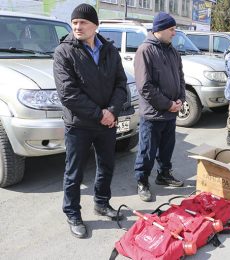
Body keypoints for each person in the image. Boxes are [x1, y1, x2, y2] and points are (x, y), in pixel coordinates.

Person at [53, 3, 128, 238]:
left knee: (106, 165)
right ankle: (72, 213)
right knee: (74, 172)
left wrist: (113, 111)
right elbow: (68, 93)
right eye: (75, 22)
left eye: (83, 22)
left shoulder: (109, 50)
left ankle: (102, 203)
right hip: (79, 124)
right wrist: (100, 114)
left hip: (107, 122)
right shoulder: (64, 52)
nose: (77, 26)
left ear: (95, 26)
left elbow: (121, 84)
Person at [133, 12, 185, 202]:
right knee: (147, 150)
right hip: (153, 114)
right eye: (171, 29)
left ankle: (164, 174)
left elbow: (180, 77)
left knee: (167, 148)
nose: (174, 32)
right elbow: (145, 86)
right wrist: (168, 104)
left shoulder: (172, 50)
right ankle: (142, 181)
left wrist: (180, 99)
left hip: (171, 112)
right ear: (160, 30)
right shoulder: (145, 50)